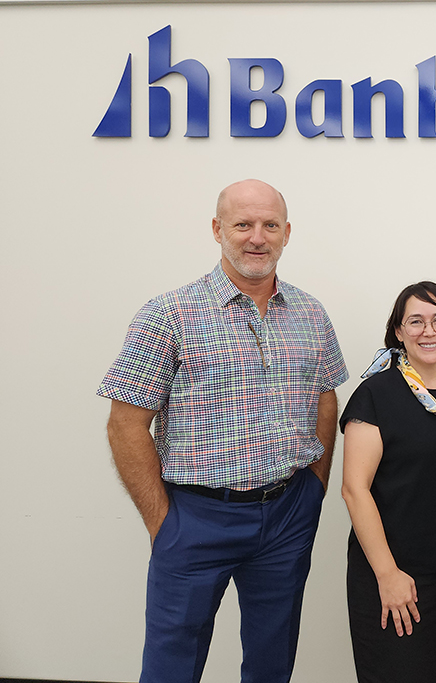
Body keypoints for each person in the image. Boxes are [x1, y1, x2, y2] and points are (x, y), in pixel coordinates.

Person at [98, 179, 348, 683]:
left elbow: (325, 397)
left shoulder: (311, 314)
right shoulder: (168, 314)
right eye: (243, 224)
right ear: (218, 230)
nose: (257, 237)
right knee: (172, 664)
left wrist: (313, 489)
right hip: (195, 518)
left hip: (287, 517)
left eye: (269, 225)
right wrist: (163, 522)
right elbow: (126, 423)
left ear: (286, 233)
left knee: (272, 661)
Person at [340, 282, 436, 683]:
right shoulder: (375, 394)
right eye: (416, 321)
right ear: (399, 332)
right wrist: (388, 574)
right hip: (393, 572)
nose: (429, 330)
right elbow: (354, 489)